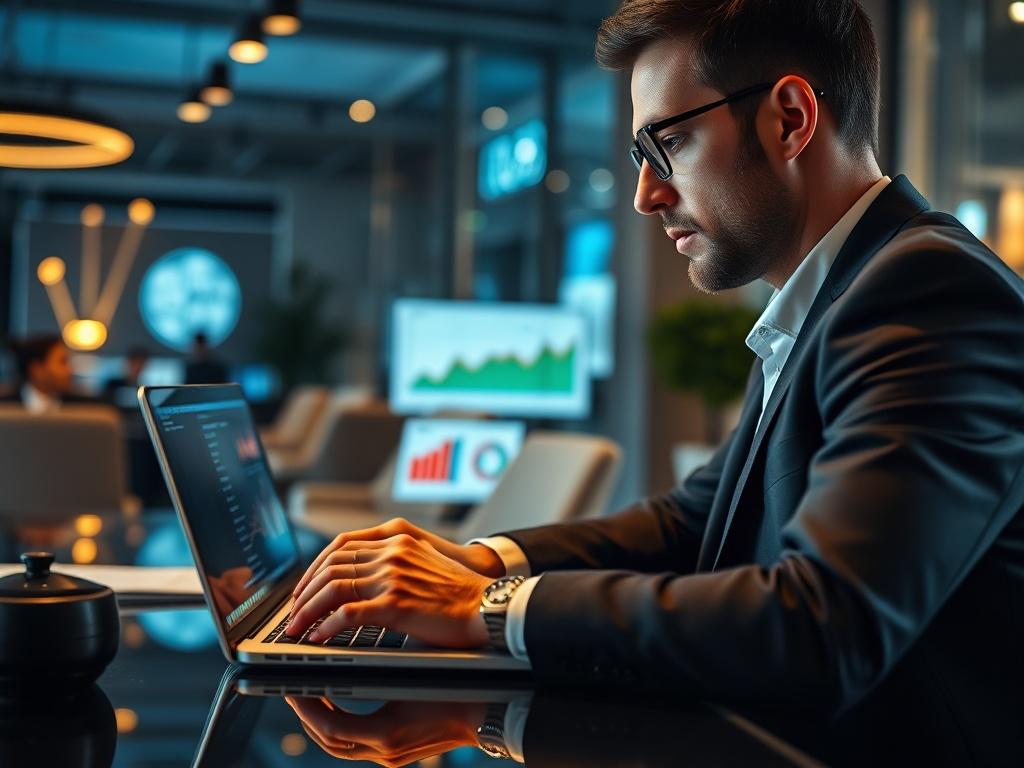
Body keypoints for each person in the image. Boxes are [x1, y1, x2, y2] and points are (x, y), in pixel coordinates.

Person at [285, 0, 1024, 758]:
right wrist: (477, 563)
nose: (645, 195)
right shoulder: (835, 297)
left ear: (791, 119)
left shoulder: (926, 293)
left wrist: (490, 608)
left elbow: (822, 624)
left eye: (668, 143)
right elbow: (693, 522)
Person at [1, 334, 94, 413]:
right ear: (37, 369)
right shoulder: (4, 409)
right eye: (63, 362)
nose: (70, 370)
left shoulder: (87, 409)